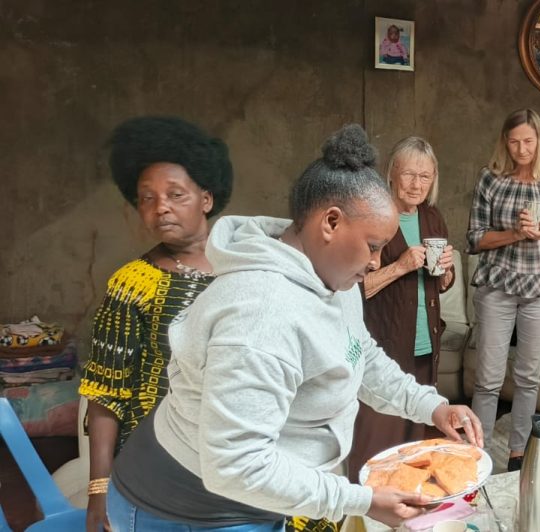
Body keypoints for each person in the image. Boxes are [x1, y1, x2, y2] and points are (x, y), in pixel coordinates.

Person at [105, 124, 482, 531]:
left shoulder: (333, 279)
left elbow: (361, 354)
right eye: (373, 246)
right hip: (189, 509)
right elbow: (237, 464)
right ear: (331, 222)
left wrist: (432, 406)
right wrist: (360, 500)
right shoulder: (261, 315)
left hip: (252, 499)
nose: (375, 262)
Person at [78, 116, 233, 532]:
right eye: (147, 198)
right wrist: (99, 489)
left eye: (175, 194)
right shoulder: (133, 284)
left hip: (239, 463)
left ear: (206, 198)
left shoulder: (247, 269)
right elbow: (105, 394)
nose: (160, 206)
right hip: (157, 472)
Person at [467, 109, 540, 472]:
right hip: (497, 287)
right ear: (505, 142)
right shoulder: (491, 179)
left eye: (528, 141)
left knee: (529, 377)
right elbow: (474, 239)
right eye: (514, 142)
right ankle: (477, 454)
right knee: (487, 379)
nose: (521, 149)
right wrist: (514, 233)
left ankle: (519, 453)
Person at [347, 136, 456, 482]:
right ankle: (363, 501)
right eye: (409, 174)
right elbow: (352, 287)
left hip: (425, 346)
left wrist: (446, 271)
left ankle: (406, 501)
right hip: (383, 346)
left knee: (414, 442)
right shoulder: (373, 217)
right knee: (376, 440)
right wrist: (399, 267)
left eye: (425, 176)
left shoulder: (432, 217)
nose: (416, 184)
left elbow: (441, 283)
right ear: (392, 173)